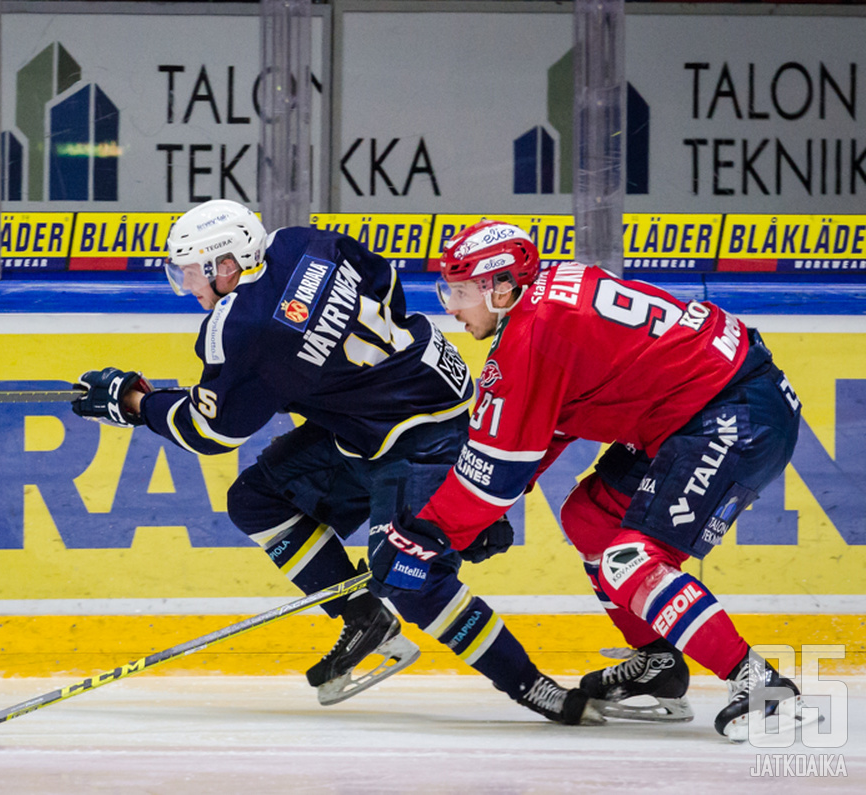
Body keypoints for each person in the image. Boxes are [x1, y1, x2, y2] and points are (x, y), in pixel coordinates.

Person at [72, 199, 600, 724]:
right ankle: (364, 619)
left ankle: (532, 686)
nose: (187, 286)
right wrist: (331, 381)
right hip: (410, 394)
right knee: (256, 499)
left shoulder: (242, 331)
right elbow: (386, 283)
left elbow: (210, 431)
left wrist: (135, 404)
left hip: (419, 433)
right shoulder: (300, 242)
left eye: (191, 273)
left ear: (226, 265)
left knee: (409, 575)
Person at [367, 218, 813, 741]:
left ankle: (760, 684)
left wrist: (428, 537)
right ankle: (658, 662)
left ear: (501, 285)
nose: (451, 306)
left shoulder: (530, 336)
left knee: (633, 562)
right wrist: (477, 518)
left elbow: (495, 470)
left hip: (730, 412)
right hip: (691, 410)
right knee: (590, 517)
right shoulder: (545, 307)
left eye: (461, 291)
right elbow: (542, 429)